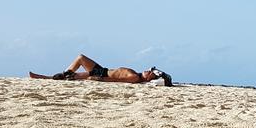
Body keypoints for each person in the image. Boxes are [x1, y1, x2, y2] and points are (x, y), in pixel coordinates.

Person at [29, 53, 169, 85]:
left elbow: (114, 79)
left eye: (150, 71)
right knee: (80, 57)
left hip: (101, 74)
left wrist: (95, 77)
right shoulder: (137, 74)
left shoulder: (135, 77)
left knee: (71, 76)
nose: (147, 70)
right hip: (102, 70)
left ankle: (47, 78)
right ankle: (63, 74)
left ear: (151, 77)